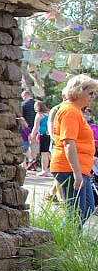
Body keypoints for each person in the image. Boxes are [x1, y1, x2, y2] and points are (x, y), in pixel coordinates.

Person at [50, 74, 98, 226]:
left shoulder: (76, 111)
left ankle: (65, 237)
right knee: (76, 213)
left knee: (88, 209)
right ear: (78, 91)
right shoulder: (69, 111)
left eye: (95, 93)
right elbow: (68, 143)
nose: (93, 96)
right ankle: (62, 243)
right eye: (90, 92)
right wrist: (77, 173)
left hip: (81, 168)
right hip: (69, 168)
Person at [30, 100, 52, 177]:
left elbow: (36, 127)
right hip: (51, 134)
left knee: (44, 153)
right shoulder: (49, 114)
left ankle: (44, 171)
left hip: (43, 135)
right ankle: (53, 169)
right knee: (50, 153)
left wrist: (32, 137)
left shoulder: (39, 115)